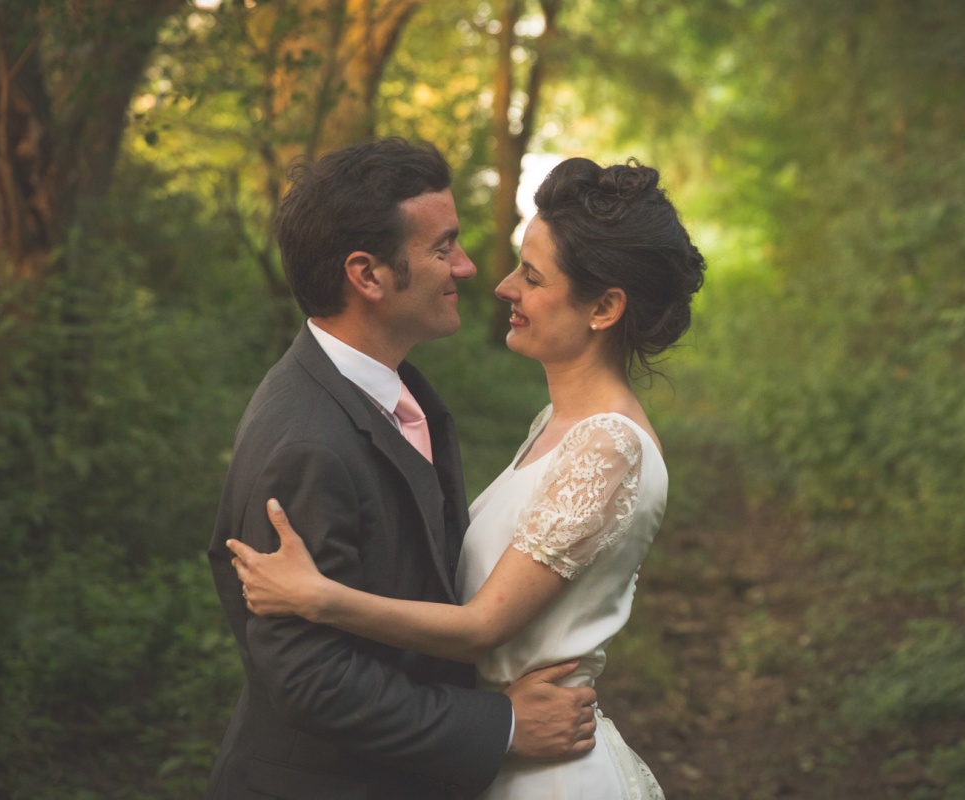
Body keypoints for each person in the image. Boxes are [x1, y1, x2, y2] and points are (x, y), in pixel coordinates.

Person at [228, 156, 706, 799]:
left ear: (605, 308)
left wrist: (320, 597)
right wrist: (499, 723)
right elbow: (309, 675)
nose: (493, 281)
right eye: (444, 247)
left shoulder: (606, 446)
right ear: (366, 275)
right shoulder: (311, 433)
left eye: (531, 276)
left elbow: (482, 625)